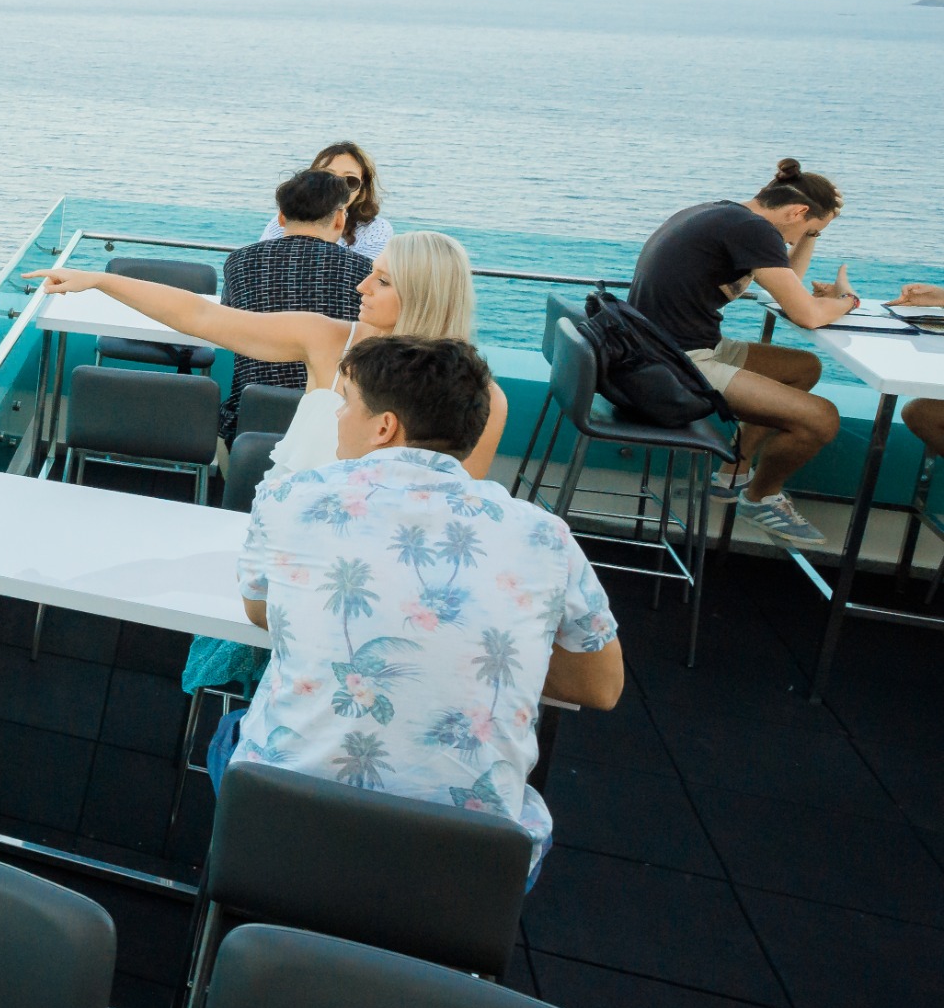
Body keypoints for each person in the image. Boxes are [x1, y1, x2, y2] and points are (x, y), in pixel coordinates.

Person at [32, 231, 509, 713]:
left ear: (423, 296)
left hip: (363, 597)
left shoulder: (479, 402)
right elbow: (203, 317)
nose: (362, 287)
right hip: (272, 559)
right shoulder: (330, 340)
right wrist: (100, 282)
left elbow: (450, 524)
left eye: (381, 280)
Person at [228, 336, 623, 864]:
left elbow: (261, 611)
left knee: (230, 732)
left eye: (345, 402)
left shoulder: (289, 499)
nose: (337, 415)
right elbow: (601, 686)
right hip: (462, 867)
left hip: (287, 830)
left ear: (384, 426)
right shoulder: (544, 536)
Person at [631, 160, 858, 549]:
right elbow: (805, 315)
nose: (800, 239)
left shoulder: (723, 214)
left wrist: (812, 235)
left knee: (803, 368)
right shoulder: (752, 230)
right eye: (809, 230)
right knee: (821, 419)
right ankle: (761, 499)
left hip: (658, 347)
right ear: (798, 211)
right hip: (674, 363)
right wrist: (846, 301)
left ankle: (732, 475)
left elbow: (787, 288)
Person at [219, 169, 374, 438]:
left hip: (249, 418)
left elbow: (226, 324)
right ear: (339, 219)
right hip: (333, 424)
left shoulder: (239, 262)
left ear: (281, 218)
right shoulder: (363, 271)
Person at [259, 141, 393, 259]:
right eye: (327, 175)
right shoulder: (286, 220)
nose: (337, 187)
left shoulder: (376, 229)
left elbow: (367, 275)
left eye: (349, 181)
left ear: (361, 189)